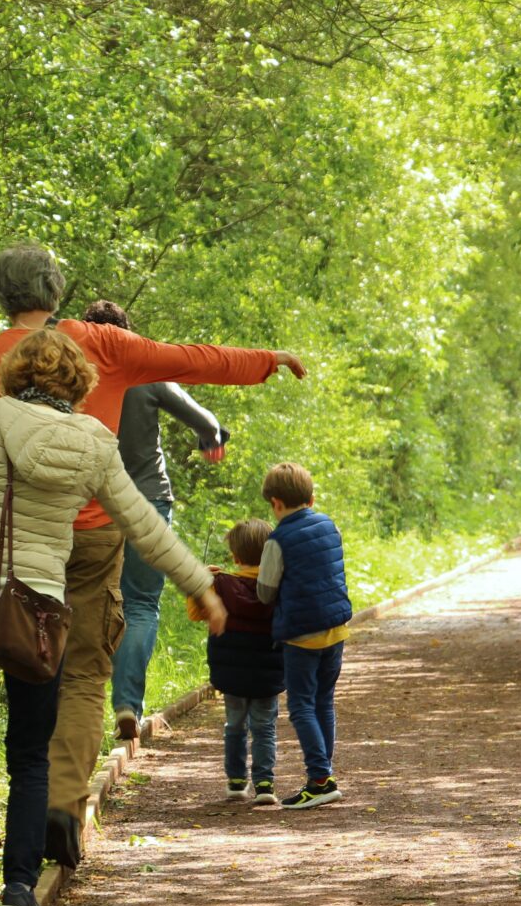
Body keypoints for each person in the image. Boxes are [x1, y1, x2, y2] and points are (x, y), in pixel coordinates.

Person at [0, 244, 306, 868]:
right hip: (92, 534)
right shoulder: (103, 343)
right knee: (85, 671)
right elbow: (189, 360)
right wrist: (266, 361)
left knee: (2, 690)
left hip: (7, 553)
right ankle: (62, 804)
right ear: (56, 289)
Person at [0, 329, 228, 906]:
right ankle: (19, 889)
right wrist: (202, 586)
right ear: (80, 385)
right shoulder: (94, 441)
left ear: (14, 373)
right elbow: (146, 525)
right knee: (29, 753)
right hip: (37, 607)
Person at [80, 300, 229, 743]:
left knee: (85, 605)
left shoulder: (67, 376)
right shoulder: (146, 373)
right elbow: (207, 421)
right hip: (146, 502)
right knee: (141, 604)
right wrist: (210, 442)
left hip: (89, 508)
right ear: (128, 334)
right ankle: (127, 705)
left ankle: (75, 713)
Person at [256, 461, 353, 810]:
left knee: (300, 705)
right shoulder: (330, 525)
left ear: (275, 503)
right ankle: (323, 775)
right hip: (336, 628)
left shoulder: (277, 540)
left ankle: (320, 779)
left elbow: (266, 592)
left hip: (301, 634)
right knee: (323, 701)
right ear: (311, 499)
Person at [187, 519, 285, 806]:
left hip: (232, 672)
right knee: (265, 725)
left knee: (235, 724)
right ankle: (265, 783)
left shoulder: (219, 585)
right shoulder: (279, 587)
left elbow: (196, 613)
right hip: (268, 671)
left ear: (235, 557)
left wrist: (200, 584)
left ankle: (236, 780)